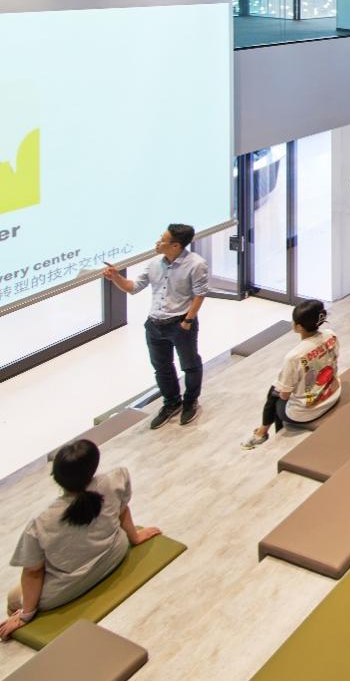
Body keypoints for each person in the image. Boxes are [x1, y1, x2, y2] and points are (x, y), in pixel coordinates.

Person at [1, 440, 160, 641]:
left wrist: (25, 615)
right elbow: (122, 511)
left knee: (13, 598)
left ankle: (18, 623)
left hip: (66, 588)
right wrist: (135, 537)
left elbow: (33, 572)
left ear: (56, 477)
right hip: (115, 554)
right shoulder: (116, 478)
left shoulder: (41, 523)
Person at [101, 225, 209, 429]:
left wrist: (188, 321)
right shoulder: (154, 264)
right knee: (162, 368)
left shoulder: (196, 264)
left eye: (162, 240)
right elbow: (132, 287)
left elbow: (200, 293)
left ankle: (190, 402)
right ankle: (172, 403)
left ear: (176, 245)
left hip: (181, 323)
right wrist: (115, 276)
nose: (157, 243)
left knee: (190, 365)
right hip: (154, 324)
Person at [239, 300, 340, 449]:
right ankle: (263, 433)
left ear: (298, 327)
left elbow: (284, 395)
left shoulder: (294, 356)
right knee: (280, 388)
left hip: (308, 412)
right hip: (333, 394)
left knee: (275, 393)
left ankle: (262, 433)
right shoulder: (331, 335)